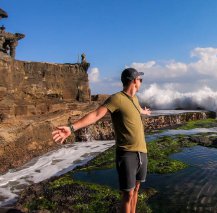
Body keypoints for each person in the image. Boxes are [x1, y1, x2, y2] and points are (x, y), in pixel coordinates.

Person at [52, 67, 151, 213]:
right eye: (140, 79)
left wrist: (144, 111)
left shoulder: (135, 99)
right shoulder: (117, 99)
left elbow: (136, 109)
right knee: (127, 194)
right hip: (127, 154)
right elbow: (96, 115)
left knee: (136, 189)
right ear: (134, 81)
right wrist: (71, 128)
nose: (141, 82)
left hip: (142, 152)